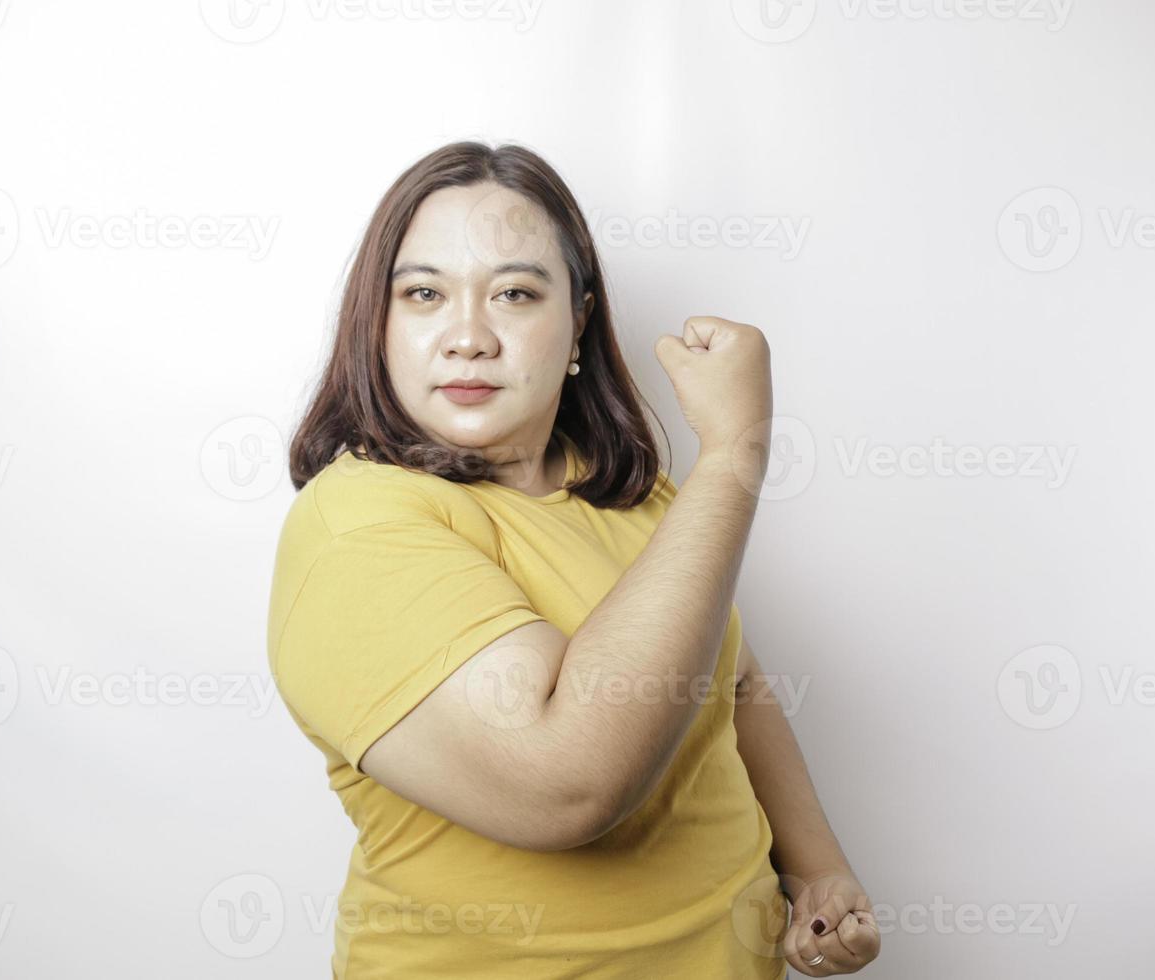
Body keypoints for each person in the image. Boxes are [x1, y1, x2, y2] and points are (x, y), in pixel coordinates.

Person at [266, 140, 880, 978]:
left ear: (578, 320)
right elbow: (565, 783)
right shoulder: (358, 525)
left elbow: (731, 679)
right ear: (378, 323)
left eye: (515, 293)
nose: (469, 337)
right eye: (423, 294)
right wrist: (735, 453)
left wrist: (815, 869)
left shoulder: (629, 492)